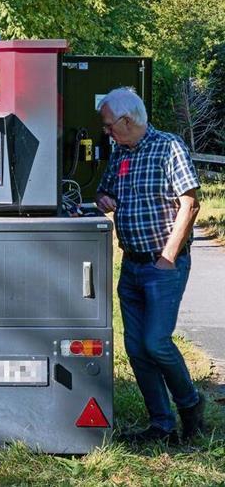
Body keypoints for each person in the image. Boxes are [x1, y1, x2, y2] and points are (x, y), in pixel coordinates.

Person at [96, 87, 205, 443]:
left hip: (163, 265)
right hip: (131, 265)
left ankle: (190, 404)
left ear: (127, 120)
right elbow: (103, 190)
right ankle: (161, 424)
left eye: (109, 125)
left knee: (156, 342)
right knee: (137, 349)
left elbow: (190, 204)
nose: (106, 132)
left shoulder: (168, 146)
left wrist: (167, 258)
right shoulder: (119, 152)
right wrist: (103, 199)